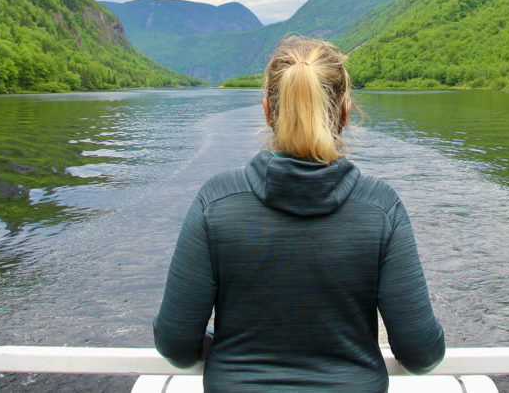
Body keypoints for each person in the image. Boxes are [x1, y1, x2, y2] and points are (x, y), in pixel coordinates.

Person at [153, 35, 445, 391]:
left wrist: (224, 345)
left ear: (266, 111)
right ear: (345, 113)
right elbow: (421, 353)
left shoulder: (216, 202)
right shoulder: (381, 208)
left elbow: (176, 345)